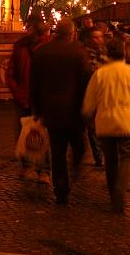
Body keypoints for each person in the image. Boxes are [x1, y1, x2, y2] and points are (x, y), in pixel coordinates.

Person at [82, 36, 130, 213]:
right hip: (127, 123)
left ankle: (114, 194)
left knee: (111, 161)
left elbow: (89, 102)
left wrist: (86, 115)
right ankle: (121, 189)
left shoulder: (100, 74)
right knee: (126, 159)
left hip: (105, 124)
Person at [30, 19, 91, 205]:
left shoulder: (41, 53)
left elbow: (34, 84)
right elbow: (85, 83)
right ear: (72, 34)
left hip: (51, 110)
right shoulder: (79, 54)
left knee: (57, 151)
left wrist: (37, 110)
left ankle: (61, 187)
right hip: (74, 110)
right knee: (79, 145)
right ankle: (75, 168)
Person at [7, 16, 49, 181]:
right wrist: (17, 91)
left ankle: (44, 169)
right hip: (23, 96)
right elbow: (11, 71)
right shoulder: (20, 46)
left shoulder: (47, 45)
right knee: (23, 133)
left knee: (42, 133)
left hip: (42, 97)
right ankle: (27, 166)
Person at [79, 25, 108, 166]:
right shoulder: (84, 54)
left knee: (101, 126)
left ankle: (102, 154)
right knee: (92, 128)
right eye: (95, 37)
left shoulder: (104, 52)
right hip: (88, 93)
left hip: (104, 94)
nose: (98, 40)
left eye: (100, 37)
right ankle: (98, 156)